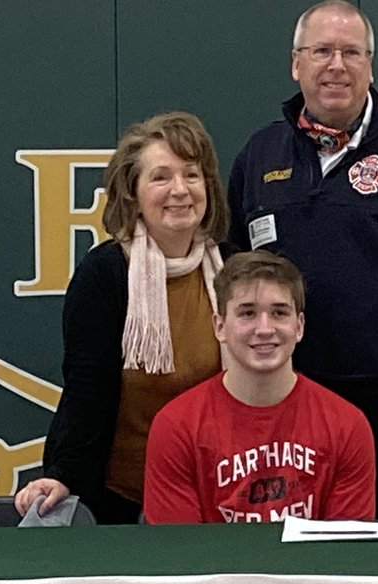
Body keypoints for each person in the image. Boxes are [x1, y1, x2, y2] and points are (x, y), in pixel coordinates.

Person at [227, 0, 378, 519]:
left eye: (350, 53)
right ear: (296, 63)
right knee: (276, 565)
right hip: (278, 400)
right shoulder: (259, 156)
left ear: (370, 65)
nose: (335, 65)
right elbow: (230, 277)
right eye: (321, 51)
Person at [14, 112, 233, 523]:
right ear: (132, 192)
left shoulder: (234, 270)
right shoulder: (106, 275)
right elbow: (86, 390)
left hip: (221, 496)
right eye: (161, 177)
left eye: (191, 175)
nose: (180, 190)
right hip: (122, 496)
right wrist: (63, 475)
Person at [144, 250, 375, 524]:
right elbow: (179, 554)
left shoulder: (347, 426)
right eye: (247, 313)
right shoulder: (176, 426)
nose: (264, 328)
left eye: (279, 312)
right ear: (220, 326)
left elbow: (345, 555)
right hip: (216, 567)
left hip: (312, 568)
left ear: (299, 326)